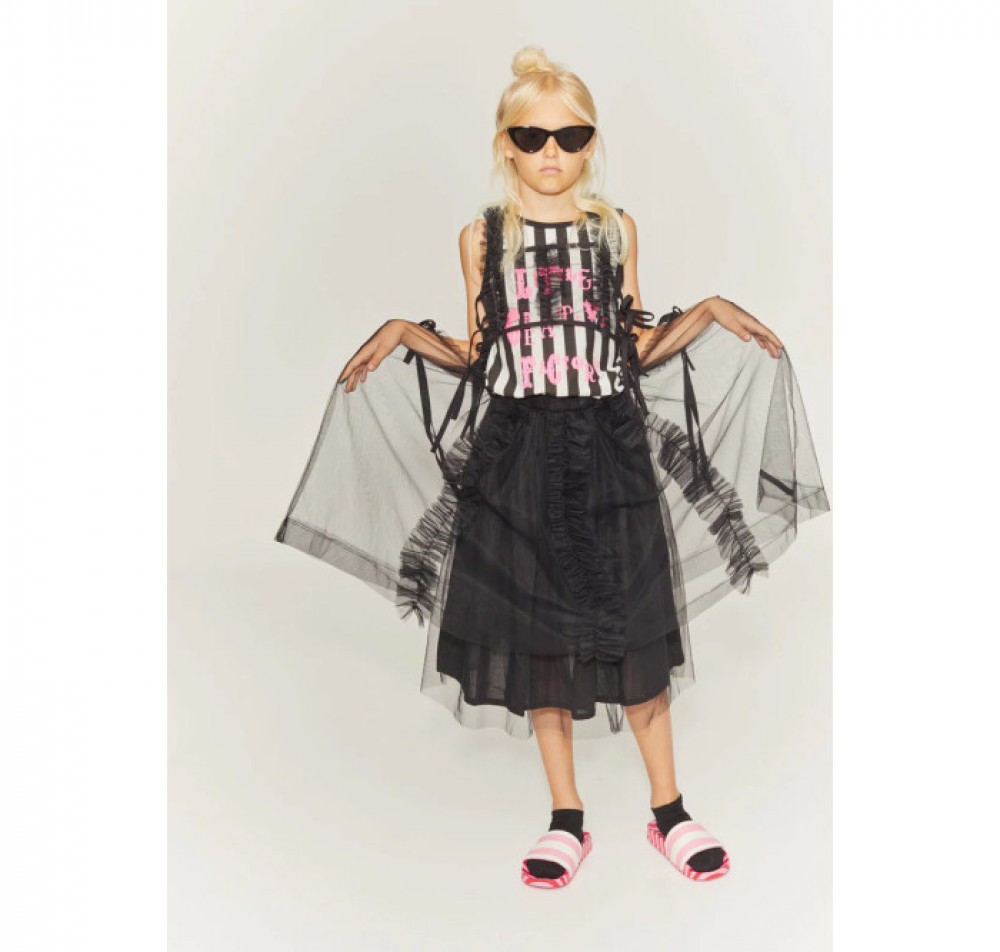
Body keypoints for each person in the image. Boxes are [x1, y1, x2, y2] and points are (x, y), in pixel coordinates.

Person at [275, 45, 829, 889]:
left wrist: (711, 310)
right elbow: (482, 350)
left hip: (608, 445)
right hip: (517, 451)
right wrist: (402, 332)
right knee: (537, 636)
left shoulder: (613, 229)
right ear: (505, 144)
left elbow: (630, 340)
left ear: (591, 143)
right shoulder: (482, 237)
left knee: (634, 628)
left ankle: (670, 810)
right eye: (532, 137)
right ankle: (566, 816)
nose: (551, 153)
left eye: (570, 136)